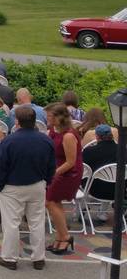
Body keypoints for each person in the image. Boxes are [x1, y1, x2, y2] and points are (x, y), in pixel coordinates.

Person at [0, 105, 56, 271]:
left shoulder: (8, 141)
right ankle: (39, 258)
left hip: (12, 186)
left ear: (17, 122)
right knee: (37, 222)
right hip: (37, 184)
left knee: (12, 223)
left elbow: (0, 167)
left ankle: (9, 257)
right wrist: (46, 181)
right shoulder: (46, 140)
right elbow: (51, 165)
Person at [44, 103, 83, 255]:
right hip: (58, 169)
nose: (47, 118)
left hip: (68, 173)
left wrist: (54, 173)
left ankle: (65, 236)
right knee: (54, 202)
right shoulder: (53, 131)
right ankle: (61, 236)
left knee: (50, 201)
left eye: (49, 116)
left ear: (58, 118)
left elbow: (71, 161)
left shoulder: (68, 135)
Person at [83, 124, 118, 202]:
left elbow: (83, 171)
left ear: (97, 136)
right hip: (119, 191)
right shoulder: (123, 150)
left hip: (96, 191)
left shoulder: (89, 151)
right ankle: (102, 213)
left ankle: (81, 208)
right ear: (112, 135)